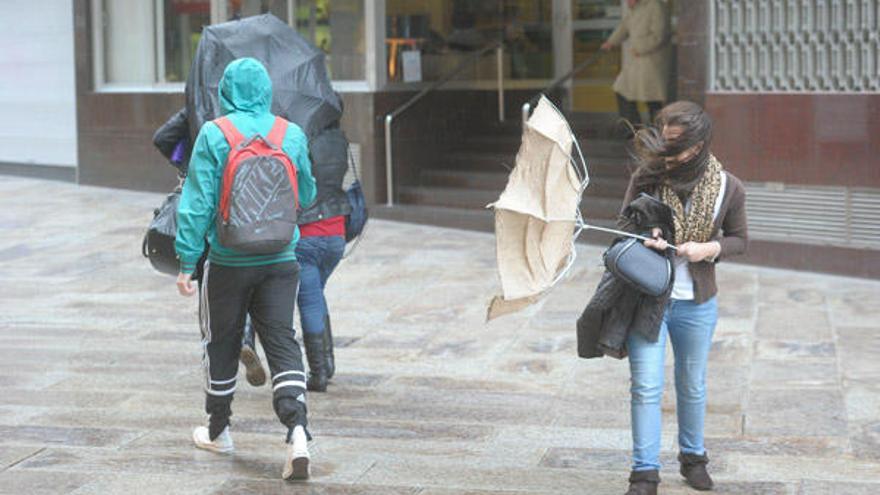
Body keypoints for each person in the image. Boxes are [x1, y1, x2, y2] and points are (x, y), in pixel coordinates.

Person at [175, 57, 317, 481]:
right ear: (267, 90)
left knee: (221, 341)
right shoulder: (289, 133)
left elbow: (197, 204)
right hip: (280, 259)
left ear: (226, 92)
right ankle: (297, 431)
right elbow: (306, 193)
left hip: (228, 260)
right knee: (282, 339)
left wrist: (186, 260)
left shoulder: (215, 134)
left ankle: (219, 430)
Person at [620, 101, 748, 495]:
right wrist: (646, 237)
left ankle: (693, 460)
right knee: (644, 386)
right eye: (666, 142)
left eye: (679, 145)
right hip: (648, 298)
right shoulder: (647, 177)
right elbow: (623, 225)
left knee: (691, 384)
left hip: (697, 302)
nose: (670, 153)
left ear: (700, 143)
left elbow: (740, 240)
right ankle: (644, 473)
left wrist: (707, 249)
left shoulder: (727, 185)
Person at [241, 125, 351, 393]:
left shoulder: (295, 137)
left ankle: (318, 373)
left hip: (307, 234)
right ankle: (326, 363)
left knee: (306, 298)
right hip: (336, 233)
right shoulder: (337, 136)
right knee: (316, 293)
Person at [601, 0, 672, 129]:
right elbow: (624, 26)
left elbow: (659, 35)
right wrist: (611, 42)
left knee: (653, 100)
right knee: (622, 90)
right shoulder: (635, 8)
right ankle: (633, 130)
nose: (627, 2)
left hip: (651, 63)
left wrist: (640, 48)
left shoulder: (656, 6)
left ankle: (658, 133)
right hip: (636, 63)